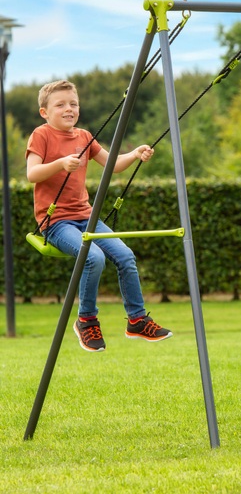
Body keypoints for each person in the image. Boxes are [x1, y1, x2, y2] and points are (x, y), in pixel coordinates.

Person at [26, 79, 173, 352]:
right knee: (93, 257)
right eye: (61, 105)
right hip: (56, 222)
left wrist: (135, 153)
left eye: (74, 103)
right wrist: (60, 164)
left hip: (86, 216)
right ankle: (86, 320)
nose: (69, 108)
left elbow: (114, 165)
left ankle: (137, 320)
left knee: (126, 256)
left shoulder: (84, 136)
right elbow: (31, 174)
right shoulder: (41, 135)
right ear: (45, 112)